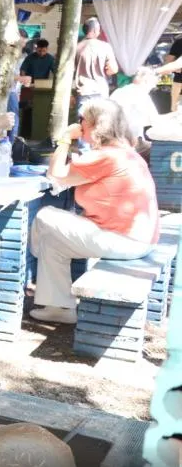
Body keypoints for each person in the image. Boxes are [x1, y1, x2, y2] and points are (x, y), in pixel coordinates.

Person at [29, 98, 160, 324]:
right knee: (52, 242)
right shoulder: (125, 153)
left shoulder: (106, 155)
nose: (79, 125)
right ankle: (59, 307)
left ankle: (30, 266)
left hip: (125, 240)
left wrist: (65, 139)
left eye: (82, 120)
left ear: (95, 124)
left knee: (44, 216)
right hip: (138, 238)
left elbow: (55, 174)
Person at [74, 17, 118, 116]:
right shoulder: (105, 46)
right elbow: (113, 69)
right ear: (94, 30)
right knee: (101, 125)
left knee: (83, 125)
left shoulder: (76, 48)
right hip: (100, 90)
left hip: (83, 92)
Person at [110, 67, 160, 152]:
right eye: (152, 85)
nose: (152, 88)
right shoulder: (142, 95)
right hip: (131, 142)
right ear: (146, 81)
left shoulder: (118, 91)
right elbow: (155, 120)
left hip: (113, 139)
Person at [155, 36, 182, 111]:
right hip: (179, 83)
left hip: (178, 84)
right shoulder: (179, 42)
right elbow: (169, 61)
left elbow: (169, 61)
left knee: (176, 110)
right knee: (176, 109)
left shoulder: (179, 42)